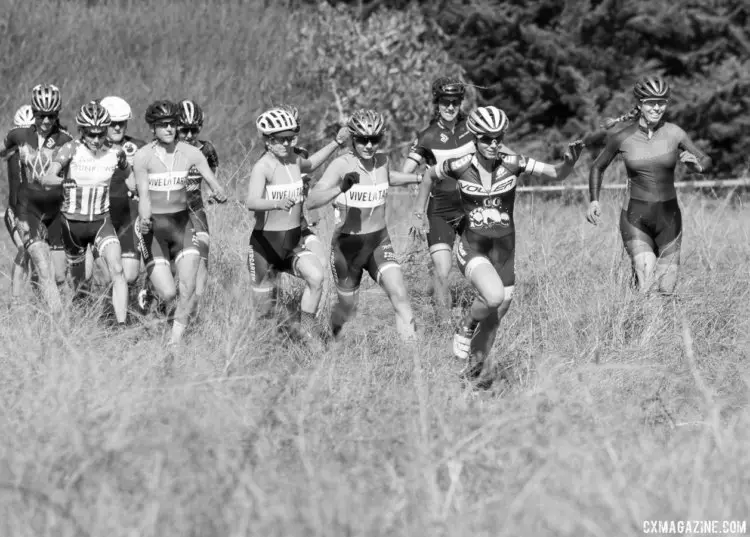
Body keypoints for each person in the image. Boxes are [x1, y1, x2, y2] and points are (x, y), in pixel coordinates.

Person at [421, 106, 584, 377]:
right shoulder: (459, 165)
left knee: (496, 315)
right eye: (486, 138)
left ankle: (473, 372)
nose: (494, 144)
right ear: (474, 138)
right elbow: (429, 175)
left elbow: (556, 174)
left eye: (499, 137)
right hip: (473, 247)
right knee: (493, 296)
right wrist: (419, 212)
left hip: (505, 252)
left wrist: (568, 162)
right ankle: (465, 323)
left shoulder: (515, 163)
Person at [587, 75, 712, 295]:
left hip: (669, 219)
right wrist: (594, 201)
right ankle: (645, 328)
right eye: (651, 102)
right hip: (635, 217)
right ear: (640, 104)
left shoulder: (675, 133)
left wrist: (697, 167)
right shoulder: (622, 136)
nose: (657, 107)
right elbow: (597, 167)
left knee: (666, 289)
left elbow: (705, 159)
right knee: (647, 281)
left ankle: (653, 323)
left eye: (662, 102)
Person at [307, 109, 424, 340]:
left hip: (379, 242)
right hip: (347, 247)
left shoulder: (382, 160)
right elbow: (311, 201)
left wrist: (420, 178)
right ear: (353, 138)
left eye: (375, 140)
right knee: (348, 309)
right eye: (362, 140)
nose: (369, 146)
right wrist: (340, 189)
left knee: (399, 294)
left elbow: (388, 178)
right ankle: (329, 342)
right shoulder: (341, 165)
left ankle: (414, 365)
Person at [404, 77, 513, 318]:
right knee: (443, 270)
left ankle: (483, 313)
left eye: (455, 102)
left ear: (460, 103)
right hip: (439, 211)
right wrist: (420, 185)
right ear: (437, 103)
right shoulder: (427, 136)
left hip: (471, 209)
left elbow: (505, 153)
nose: (450, 107)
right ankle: (443, 327)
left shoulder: (473, 129)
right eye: (445, 102)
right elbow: (404, 173)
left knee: (487, 262)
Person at [245, 107, 349, 340]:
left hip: (291, 243)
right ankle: (263, 351)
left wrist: (336, 143)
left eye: (290, 138)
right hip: (265, 247)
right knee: (264, 315)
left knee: (316, 277)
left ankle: (308, 331)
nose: (286, 144)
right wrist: (276, 203)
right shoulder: (263, 167)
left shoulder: (294, 160)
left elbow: (311, 163)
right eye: (280, 140)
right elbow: (251, 201)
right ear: (268, 141)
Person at [133, 100, 227, 345]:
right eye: (163, 125)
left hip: (183, 225)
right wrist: (143, 220)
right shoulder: (143, 157)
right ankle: (150, 300)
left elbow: (210, 177)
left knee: (189, 289)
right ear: (152, 128)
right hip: (153, 228)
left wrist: (218, 191)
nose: (170, 129)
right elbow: (143, 196)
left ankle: (174, 345)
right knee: (169, 292)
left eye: (172, 124)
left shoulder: (192, 152)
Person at [40, 102, 131, 324]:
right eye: (91, 134)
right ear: (81, 131)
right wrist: (65, 181)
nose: (97, 139)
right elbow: (47, 178)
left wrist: (137, 190)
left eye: (101, 133)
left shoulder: (116, 152)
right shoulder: (70, 149)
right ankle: (76, 324)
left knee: (117, 269)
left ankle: (122, 328)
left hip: (102, 222)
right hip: (73, 226)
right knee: (81, 283)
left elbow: (130, 175)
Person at [0, 84, 73, 311]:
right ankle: (57, 322)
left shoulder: (66, 140)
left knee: (59, 275)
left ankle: (50, 314)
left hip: (54, 213)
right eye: (41, 115)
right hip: (27, 210)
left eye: (51, 116)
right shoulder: (17, 135)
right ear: (34, 112)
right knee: (42, 264)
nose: (46, 121)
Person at [99, 95, 146, 286]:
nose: (117, 127)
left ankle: (121, 312)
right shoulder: (93, 147)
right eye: (112, 123)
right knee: (105, 277)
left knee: (130, 276)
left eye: (121, 123)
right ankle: (102, 314)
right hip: (101, 217)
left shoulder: (140, 147)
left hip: (129, 216)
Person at [175, 99, 217, 306]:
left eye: (194, 130)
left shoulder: (207, 149)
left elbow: (212, 176)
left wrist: (211, 191)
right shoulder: (168, 148)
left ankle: (196, 306)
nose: (189, 135)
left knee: (203, 250)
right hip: (172, 211)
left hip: (196, 208)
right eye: (184, 130)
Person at [4, 105, 35, 300]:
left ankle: (39, 295)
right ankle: (15, 301)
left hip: (36, 214)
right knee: (25, 250)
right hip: (14, 212)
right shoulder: (12, 154)